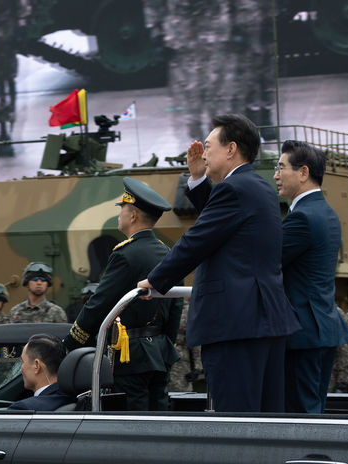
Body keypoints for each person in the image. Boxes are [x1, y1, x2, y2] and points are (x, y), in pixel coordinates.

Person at [138, 114, 300, 413]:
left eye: (209, 146)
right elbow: (221, 221)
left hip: (236, 324)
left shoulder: (235, 189)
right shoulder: (256, 186)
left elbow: (198, 239)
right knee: (267, 414)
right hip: (262, 320)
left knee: (236, 418)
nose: (204, 153)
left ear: (230, 149)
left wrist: (155, 281)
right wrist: (199, 178)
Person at [65, 177, 181, 410]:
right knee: (160, 417)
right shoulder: (168, 253)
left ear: (134, 215)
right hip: (159, 352)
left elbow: (99, 303)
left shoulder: (125, 255)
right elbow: (176, 304)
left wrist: (71, 341)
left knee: (132, 422)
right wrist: (164, 342)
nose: (119, 214)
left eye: (122, 209)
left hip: (132, 357)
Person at [274, 140, 348, 413]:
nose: (276, 175)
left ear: (303, 173)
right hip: (320, 328)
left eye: (281, 167)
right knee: (313, 411)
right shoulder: (325, 212)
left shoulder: (303, 217)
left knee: (300, 418)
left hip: (302, 334)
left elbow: (267, 260)